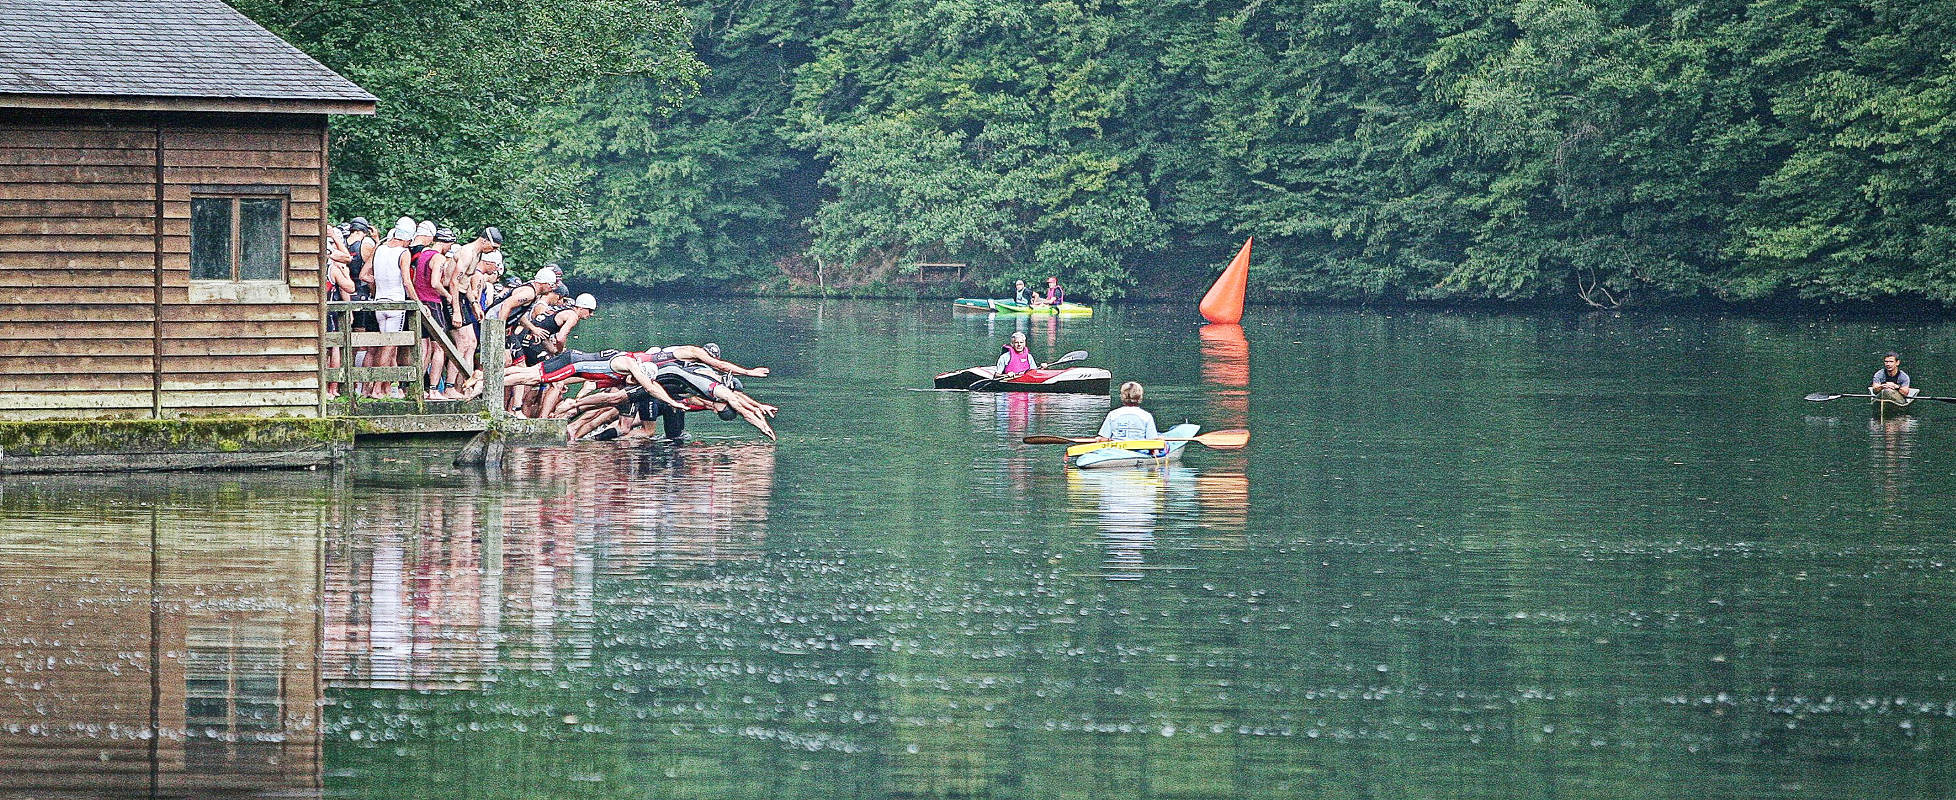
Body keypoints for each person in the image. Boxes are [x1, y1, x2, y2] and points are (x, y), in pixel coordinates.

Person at [366, 219, 415, 399]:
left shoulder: (380, 248)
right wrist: (417, 303)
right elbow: (406, 281)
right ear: (408, 238)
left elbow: (364, 275)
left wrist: (378, 284)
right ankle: (376, 388)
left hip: (380, 301)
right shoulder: (403, 252)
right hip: (396, 303)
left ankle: (388, 388)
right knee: (389, 346)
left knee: (388, 348)